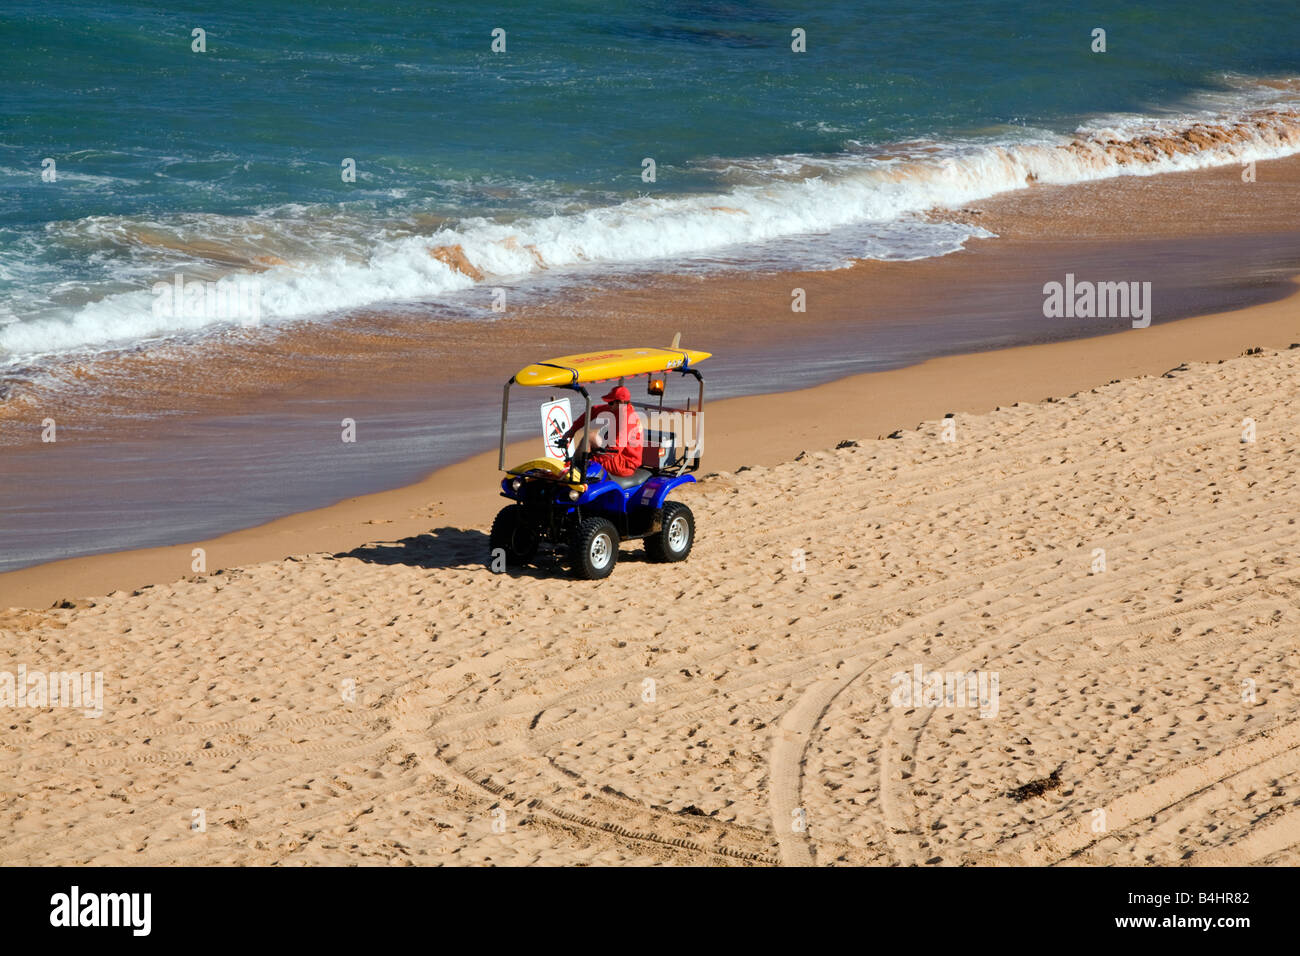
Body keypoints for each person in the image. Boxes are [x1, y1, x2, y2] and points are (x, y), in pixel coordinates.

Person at [564, 385, 644, 477]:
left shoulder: (627, 418)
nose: (608, 405)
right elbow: (593, 411)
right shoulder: (617, 409)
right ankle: (575, 464)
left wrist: (594, 460)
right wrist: (572, 430)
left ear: (619, 402)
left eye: (610, 403)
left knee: (589, 440)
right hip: (617, 455)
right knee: (591, 437)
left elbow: (615, 449)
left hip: (625, 464)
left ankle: (574, 466)